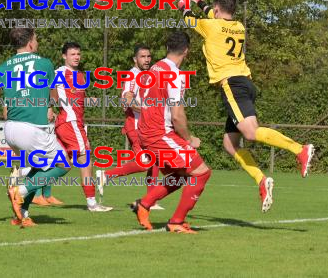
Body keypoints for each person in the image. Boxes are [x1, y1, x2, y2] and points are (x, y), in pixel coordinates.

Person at [179, 0, 314, 212]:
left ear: (218, 9)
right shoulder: (239, 26)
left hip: (231, 84)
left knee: (251, 133)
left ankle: (300, 150)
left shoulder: (211, 26)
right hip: (244, 82)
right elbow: (212, 14)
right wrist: (200, 1)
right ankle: (261, 180)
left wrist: (184, 3)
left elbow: (188, 18)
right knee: (229, 144)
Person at [0, 28, 70, 227]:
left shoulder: (3, 67)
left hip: (10, 129)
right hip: (32, 128)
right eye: (36, 39)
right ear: (31, 43)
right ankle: (20, 192)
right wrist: (52, 105)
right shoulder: (45, 63)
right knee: (63, 164)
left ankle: (22, 214)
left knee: (37, 166)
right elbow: (54, 94)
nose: (38, 42)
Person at [132, 31, 212, 234]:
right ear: (186, 51)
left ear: (167, 48)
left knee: (181, 175)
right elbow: (177, 115)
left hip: (147, 131)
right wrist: (189, 139)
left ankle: (144, 204)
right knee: (201, 173)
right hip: (160, 134)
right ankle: (176, 222)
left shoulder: (154, 68)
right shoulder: (174, 74)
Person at [97, 44, 163, 210]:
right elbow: (127, 100)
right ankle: (105, 175)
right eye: (143, 56)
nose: (147, 59)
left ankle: (151, 200)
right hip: (135, 126)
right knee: (145, 164)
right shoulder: (133, 75)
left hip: (146, 127)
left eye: (148, 56)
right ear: (135, 59)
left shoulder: (146, 76)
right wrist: (148, 111)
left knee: (154, 161)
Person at [53, 42, 112, 211]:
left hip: (72, 123)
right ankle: (92, 203)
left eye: (78, 54)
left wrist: (87, 101)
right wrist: (51, 107)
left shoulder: (80, 76)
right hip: (70, 122)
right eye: (72, 54)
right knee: (85, 160)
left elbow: (72, 99)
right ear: (64, 56)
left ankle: (22, 184)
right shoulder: (60, 72)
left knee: (58, 161)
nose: (76, 57)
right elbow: (49, 90)